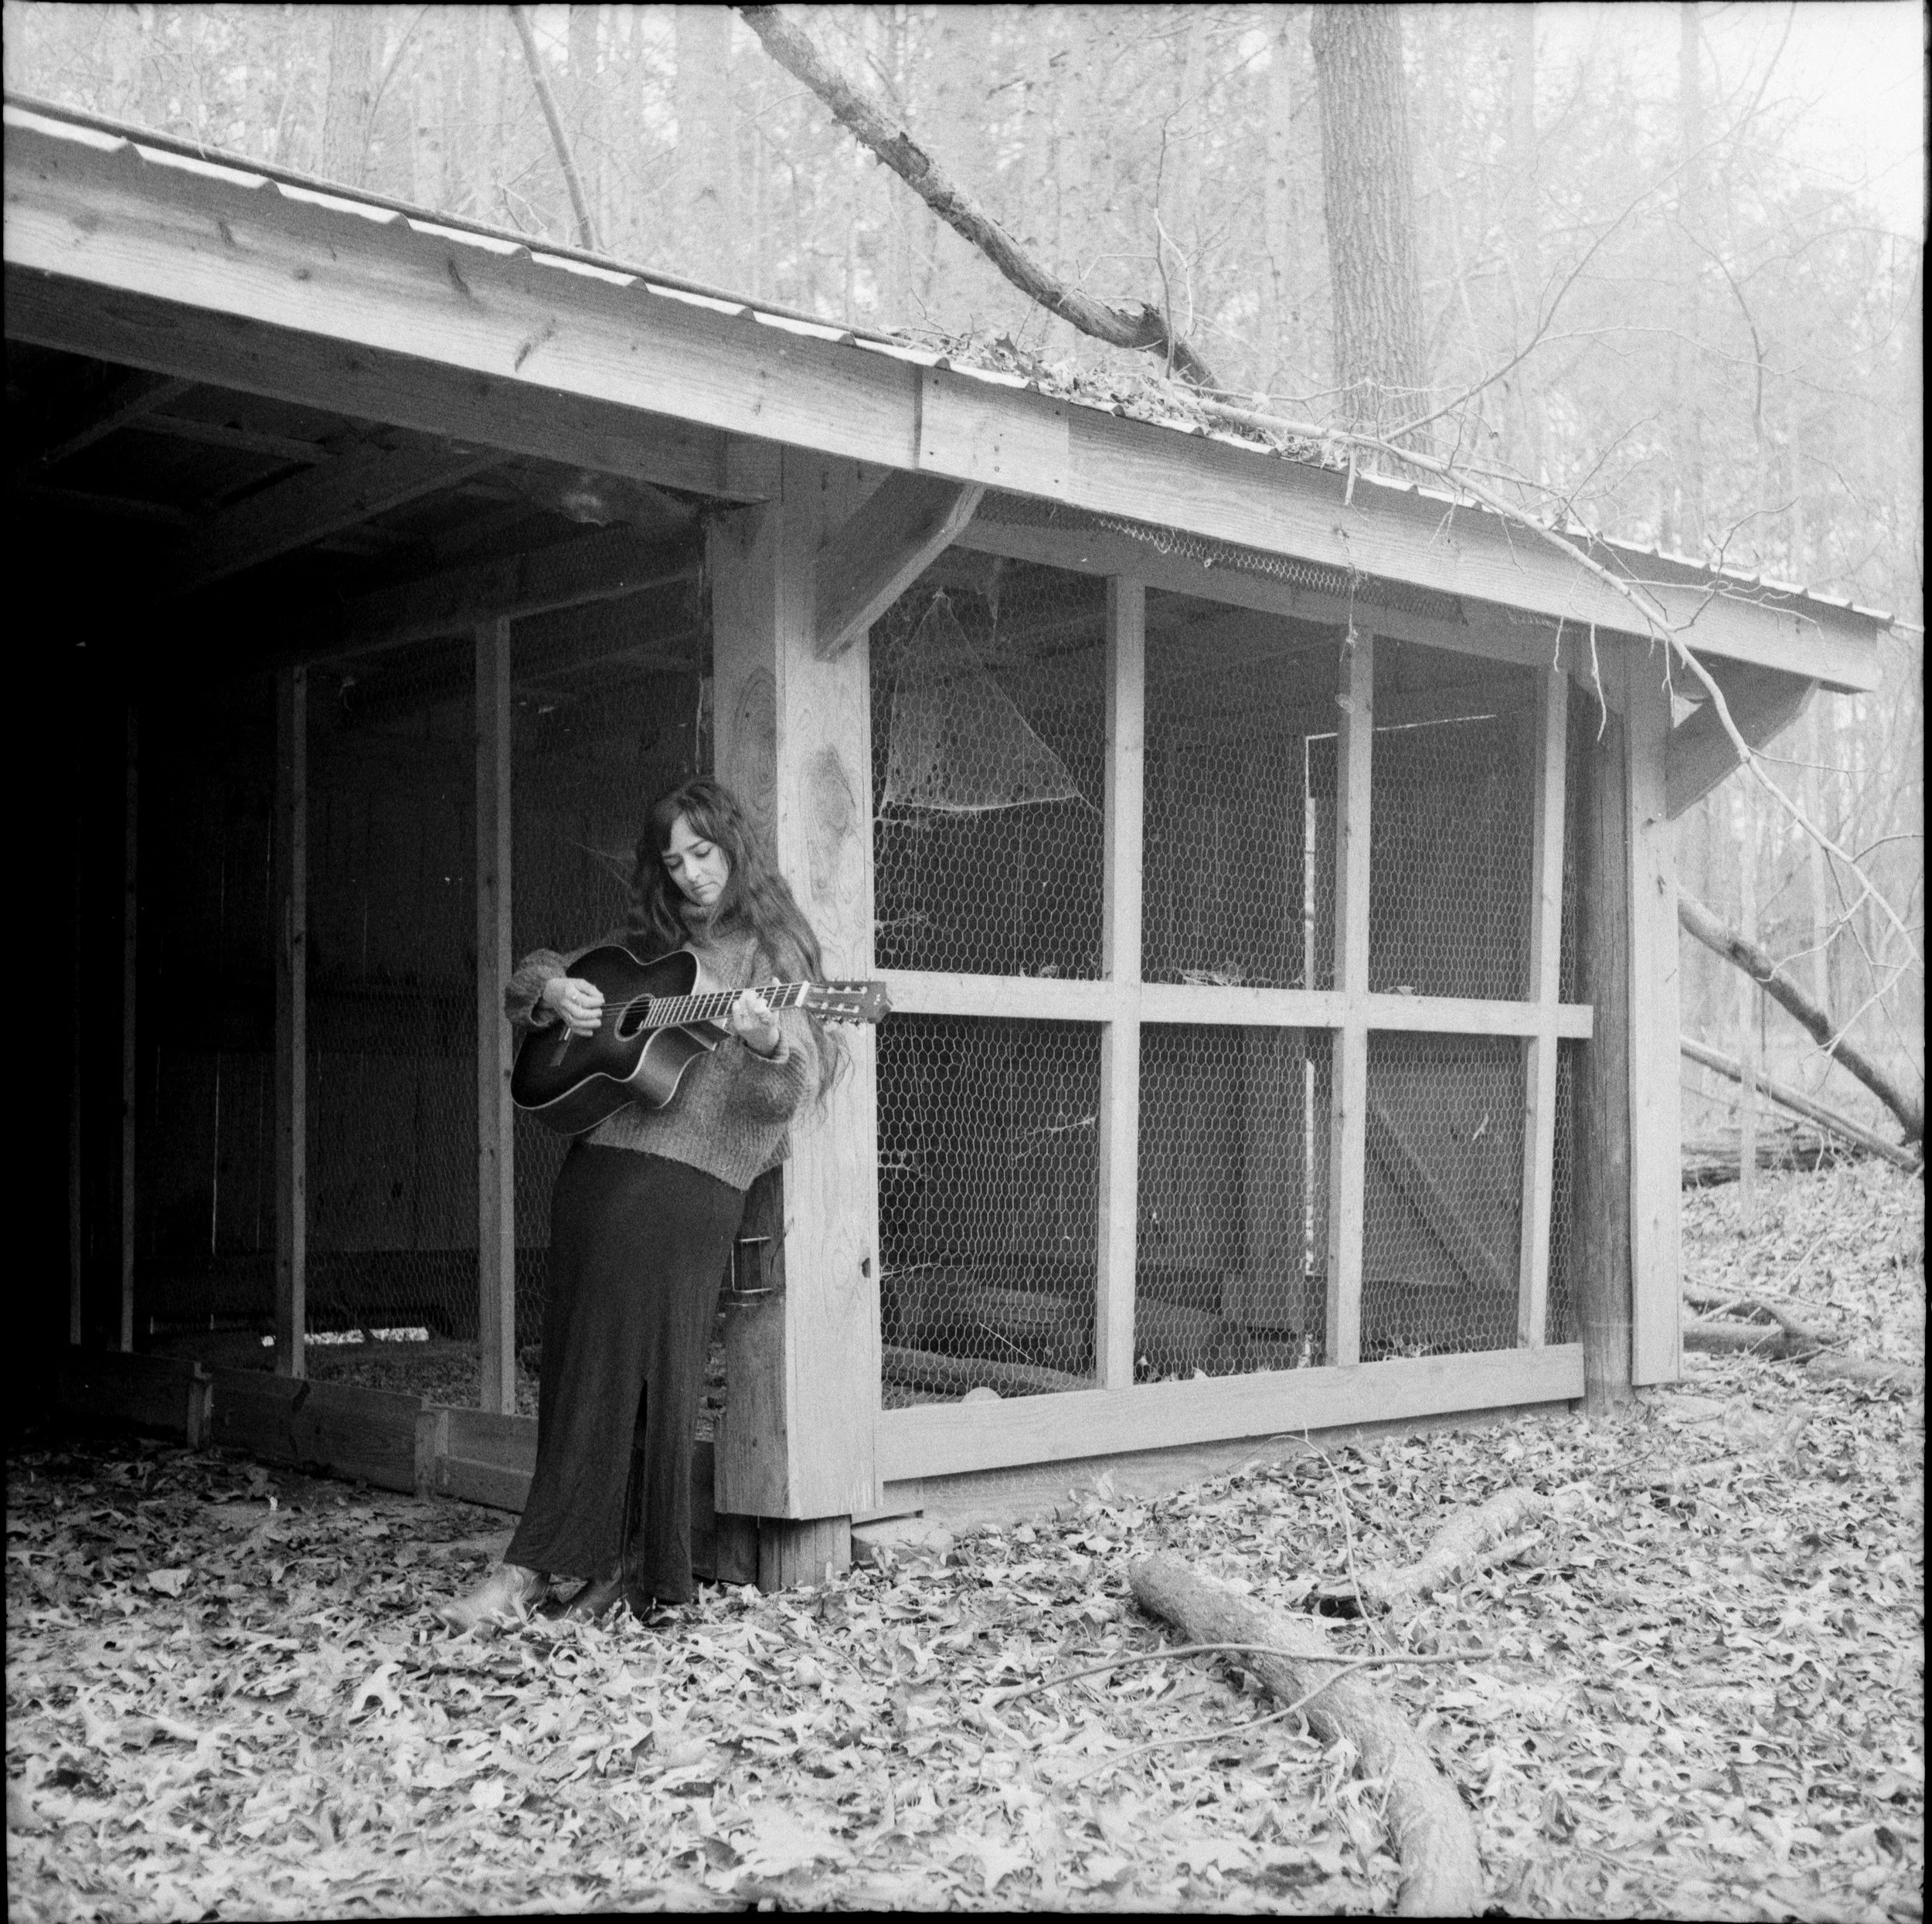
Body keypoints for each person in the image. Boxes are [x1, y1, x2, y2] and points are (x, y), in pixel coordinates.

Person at [436, 777, 833, 1630]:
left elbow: (777, 1105)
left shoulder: (774, 956)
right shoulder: (645, 948)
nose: (693, 875)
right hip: (601, 1170)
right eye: (676, 859)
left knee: (640, 1372)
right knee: (584, 1364)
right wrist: (554, 996)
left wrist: (765, 1043)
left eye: (706, 852)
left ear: (735, 847)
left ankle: (555, 1569)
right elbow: (531, 976)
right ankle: (601, 1569)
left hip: (692, 1182)